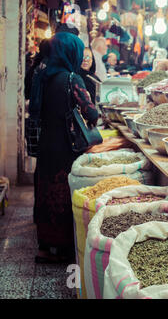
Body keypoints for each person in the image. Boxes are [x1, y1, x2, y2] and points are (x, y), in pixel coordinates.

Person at [33, 32, 99, 264]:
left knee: (44, 191)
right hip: (65, 145)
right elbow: (91, 112)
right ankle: (62, 248)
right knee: (61, 193)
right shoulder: (72, 79)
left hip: (45, 143)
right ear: (71, 53)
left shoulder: (43, 75)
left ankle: (44, 247)